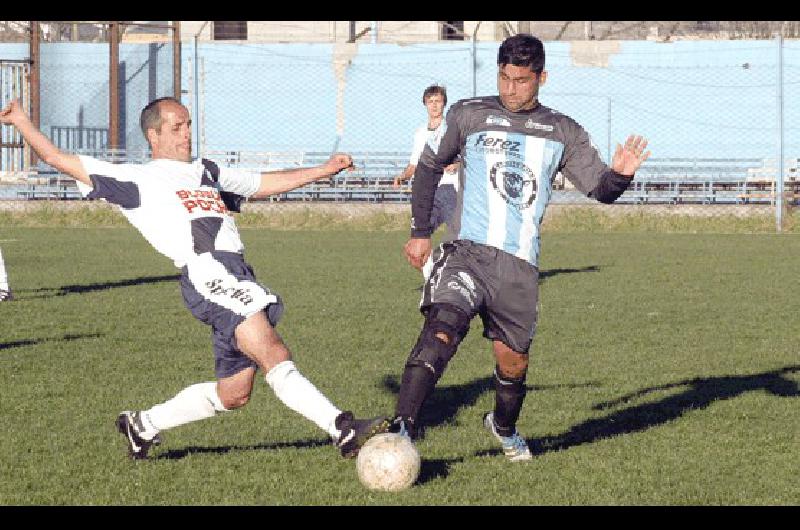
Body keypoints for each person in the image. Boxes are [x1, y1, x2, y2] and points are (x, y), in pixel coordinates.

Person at [0, 96, 389, 460]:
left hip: (236, 271)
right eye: (176, 127)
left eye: (188, 125)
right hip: (208, 272)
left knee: (234, 393)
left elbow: (262, 184)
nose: (187, 133)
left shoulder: (206, 170)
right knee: (274, 352)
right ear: (153, 135)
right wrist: (20, 120)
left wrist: (324, 170)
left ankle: (143, 424)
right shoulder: (136, 178)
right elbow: (56, 157)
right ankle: (342, 428)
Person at [383, 34, 650, 461]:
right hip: (466, 252)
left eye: (522, 81)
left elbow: (600, 189)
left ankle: (503, 426)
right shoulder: (468, 114)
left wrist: (619, 175)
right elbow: (430, 167)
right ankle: (401, 428)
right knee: (442, 329)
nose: (511, 89)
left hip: (519, 268)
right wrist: (419, 231)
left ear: (542, 77)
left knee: (513, 365)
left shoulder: (563, 131)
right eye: (505, 78)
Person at [393, 85, 460, 279]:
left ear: (444, 103)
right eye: (430, 102)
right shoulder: (420, 133)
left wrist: (457, 164)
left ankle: (459, 276)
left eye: (438, 101)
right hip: (427, 192)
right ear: (425, 104)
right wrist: (403, 176)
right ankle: (433, 275)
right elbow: (414, 164)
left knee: (458, 238)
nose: (434, 105)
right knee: (416, 243)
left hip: (449, 189)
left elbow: (464, 156)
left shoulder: (451, 130)